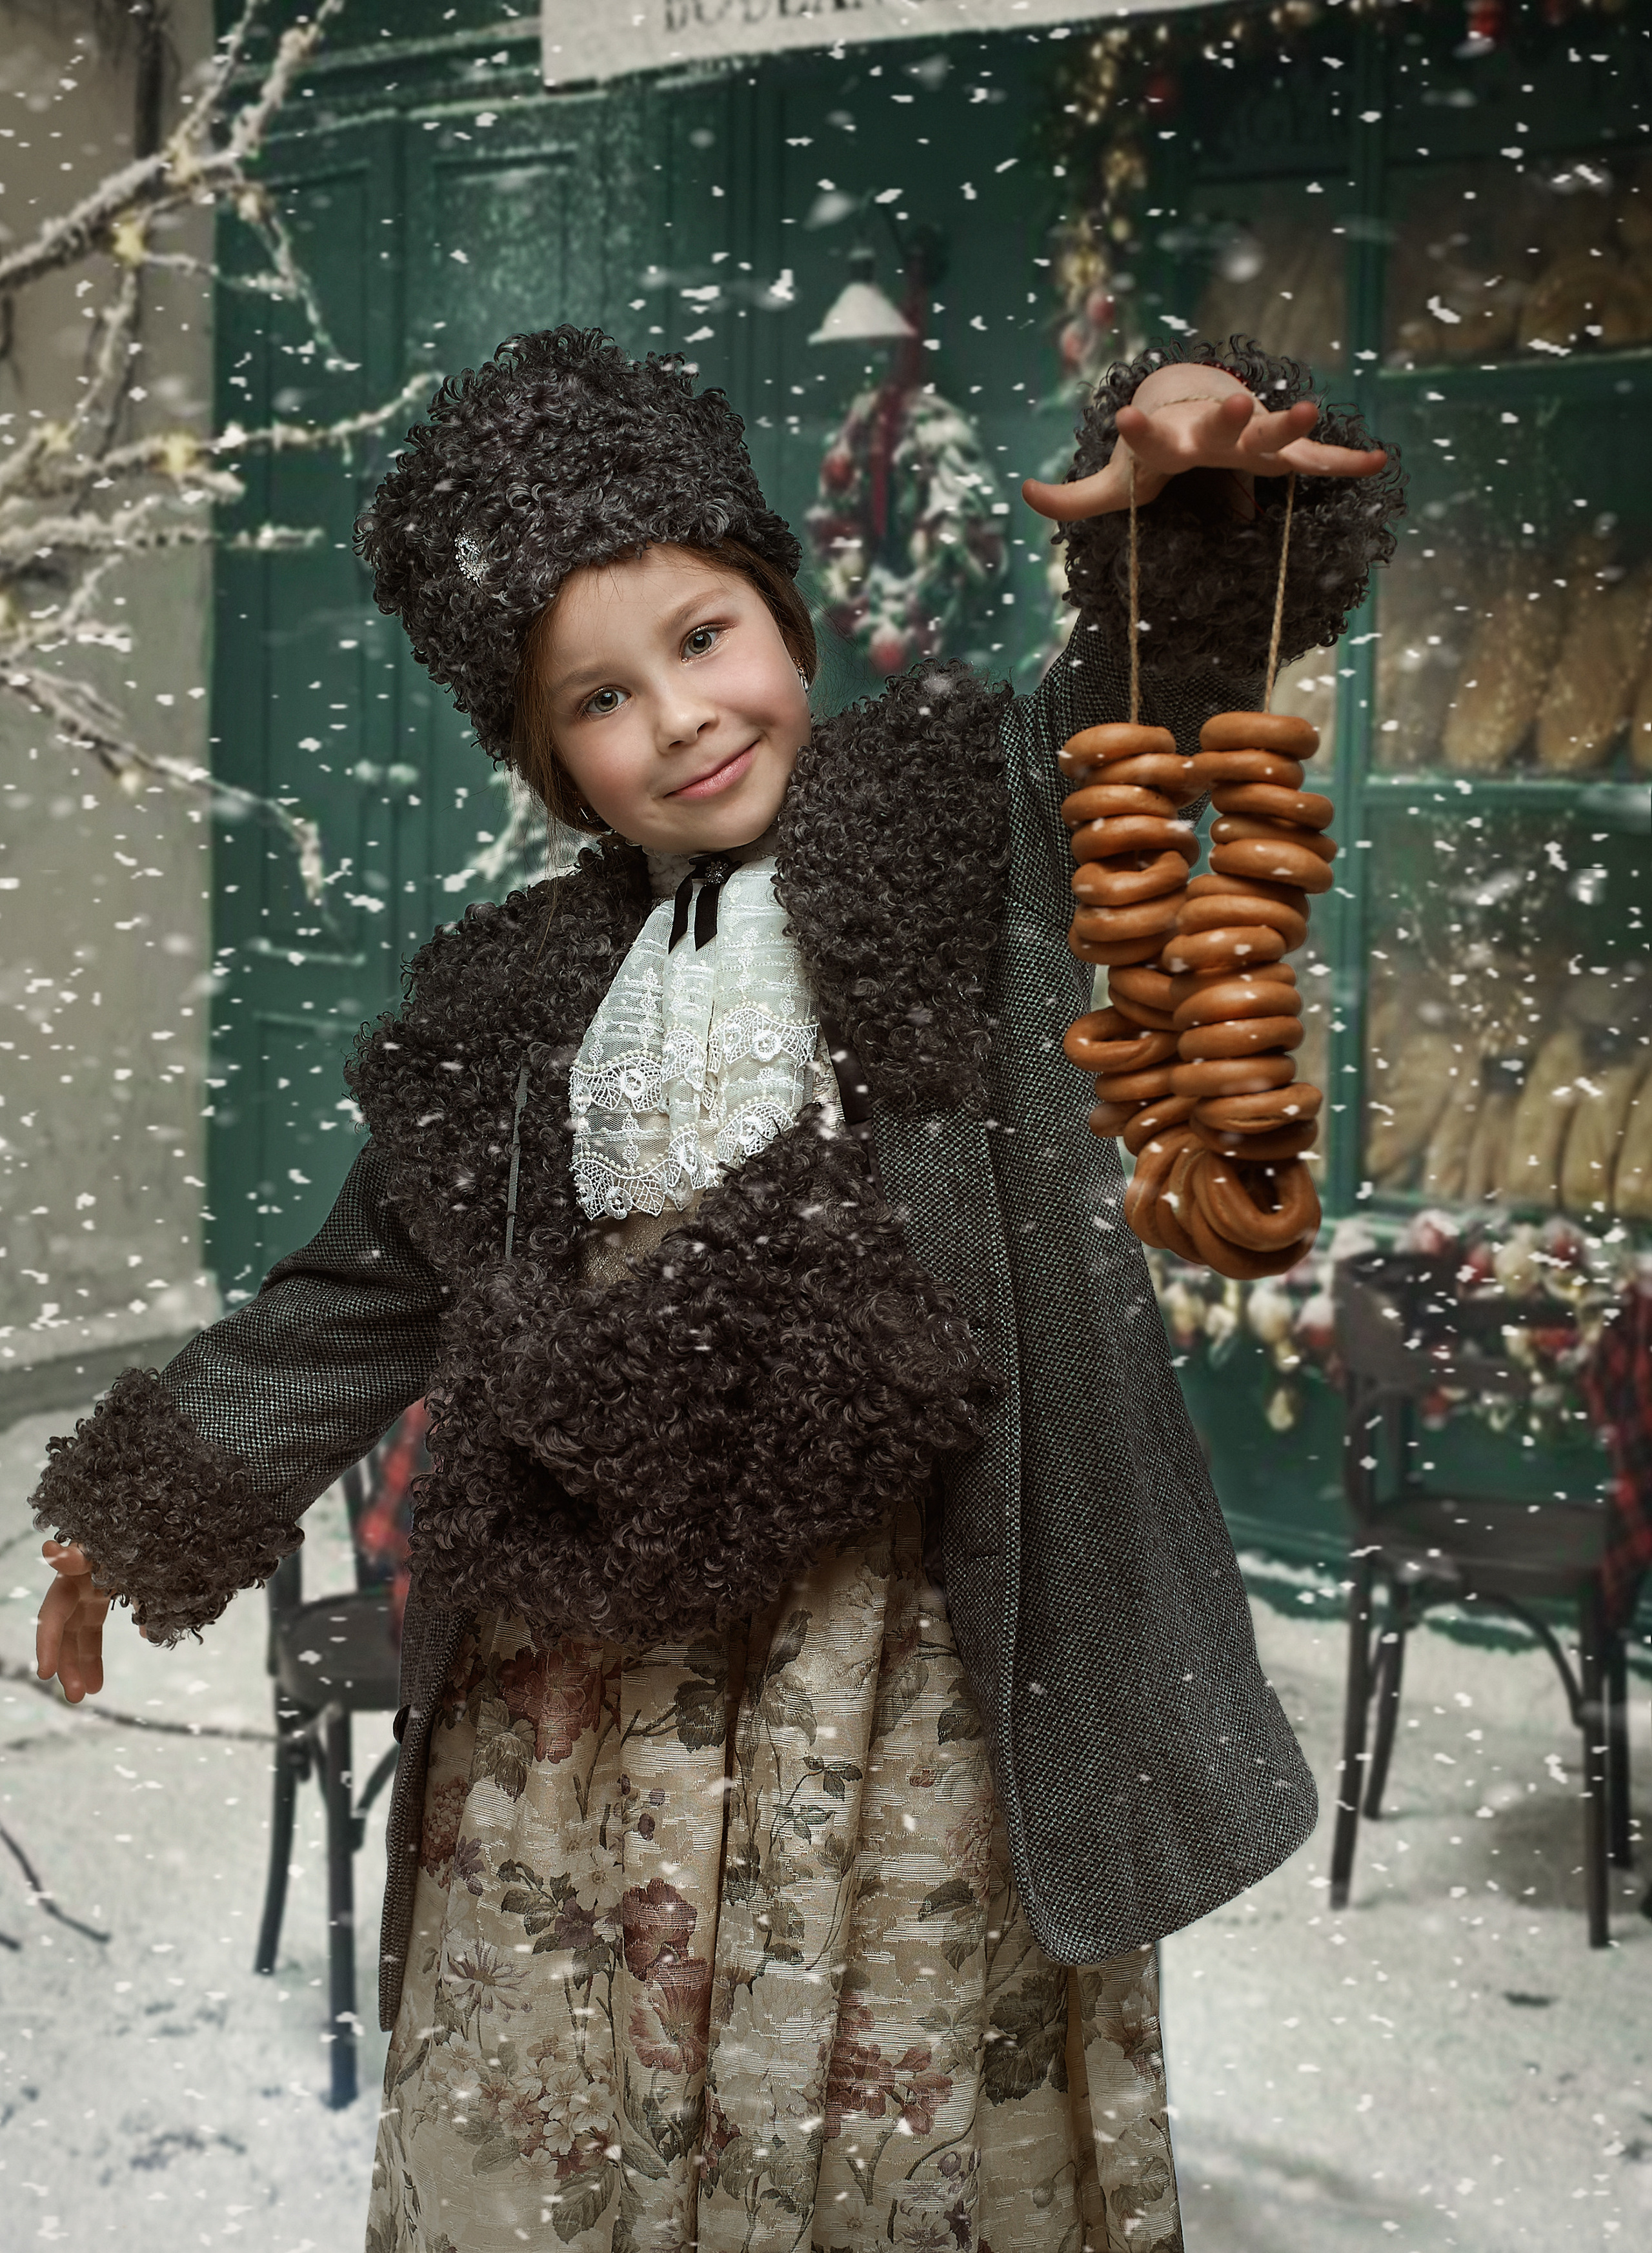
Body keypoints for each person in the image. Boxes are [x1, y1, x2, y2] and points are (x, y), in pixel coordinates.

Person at [34, 328, 1400, 2253]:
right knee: (570, 2092)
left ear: (781, 610)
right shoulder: (505, 1008)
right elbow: (353, 1298)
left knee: (877, 2113)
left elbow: (1152, 698)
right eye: (598, 695)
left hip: (913, 1674)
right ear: (548, 756)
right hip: (582, 1697)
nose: (677, 716)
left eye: (702, 636)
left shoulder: (961, 827)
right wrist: (136, 1505)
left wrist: (1204, 493)